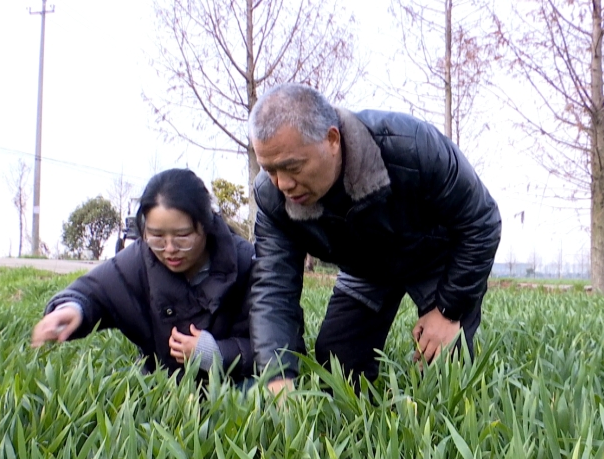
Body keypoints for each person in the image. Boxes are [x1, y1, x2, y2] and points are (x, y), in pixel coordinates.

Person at [247, 83, 502, 393]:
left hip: (434, 257)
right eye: (269, 169)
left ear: (332, 139)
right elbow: (273, 287)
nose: (283, 183)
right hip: (365, 270)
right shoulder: (272, 197)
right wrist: (277, 375)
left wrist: (449, 310)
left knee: (445, 367)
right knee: (336, 367)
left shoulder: (411, 145)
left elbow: (481, 220)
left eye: (292, 167)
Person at [31, 168, 256, 383]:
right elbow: (94, 292)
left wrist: (214, 353)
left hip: (234, 390)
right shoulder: (140, 258)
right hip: (161, 389)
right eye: (156, 236)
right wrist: (71, 309)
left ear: (206, 226)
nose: (169, 249)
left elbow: (277, 344)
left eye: (183, 236)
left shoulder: (247, 262)